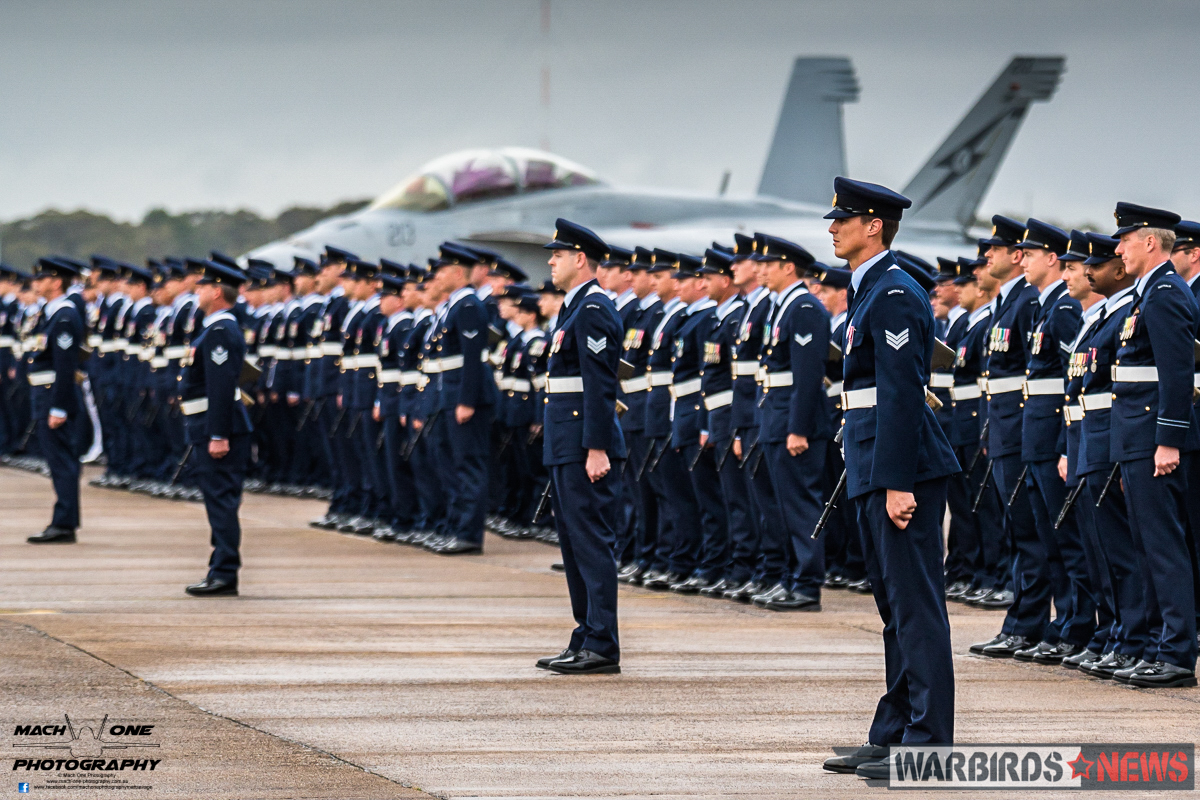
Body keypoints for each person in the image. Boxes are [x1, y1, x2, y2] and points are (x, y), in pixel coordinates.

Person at [820, 177, 959, 779]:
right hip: (874, 464)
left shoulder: (895, 293)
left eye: (842, 219)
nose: (832, 228)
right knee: (892, 605)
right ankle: (895, 729)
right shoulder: (868, 290)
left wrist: (897, 481)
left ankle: (928, 744)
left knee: (916, 605)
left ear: (873, 225)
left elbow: (903, 395)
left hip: (901, 471)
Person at [1108, 202, 1197, 688]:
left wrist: (1168, 441)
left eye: (1125, 238)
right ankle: (1159, 645)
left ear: (1148, 241)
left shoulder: (1164, 294)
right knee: (1146, 547)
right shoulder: (1147, 295)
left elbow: (1176, 376)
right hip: (1135, 437)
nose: (1118, 248)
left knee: (1163, 548)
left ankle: (1178, 654)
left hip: (1151, 439)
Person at [537, 218, 627, 675]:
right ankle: (586, 634)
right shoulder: (573, 307)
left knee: (591, 543)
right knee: (573, 543)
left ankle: (603, 643)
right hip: (566, 441)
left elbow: (599, 385)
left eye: (558, 254)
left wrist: (596, 448)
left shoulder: (593, 308)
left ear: (579, 259)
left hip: (582, 444)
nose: (550, 260)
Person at [752, 235, 833, 611]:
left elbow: (807, 374)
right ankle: (788, 578)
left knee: (801, 505)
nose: (760, 270)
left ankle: (807, 584)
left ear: (788, 268)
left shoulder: (804, 307)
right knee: (781, 506)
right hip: (776, 416)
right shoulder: (781, 306)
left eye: (768, 265)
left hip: (793, 422)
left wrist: (798, 428)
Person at [181, 260, 254, 596]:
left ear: (216, 292)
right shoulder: (214, 328)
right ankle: (218, 569)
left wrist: (218, 434)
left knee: (222, 501)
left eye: (202, 286)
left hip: (220, 430)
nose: (196, 292)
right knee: (217, 501)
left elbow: (222, 387)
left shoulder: (221, 331)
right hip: (208, 425)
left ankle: (224, 573)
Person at [25, 258, 86, 544]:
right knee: (58, 460)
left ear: (57, 282)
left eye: (43, 278)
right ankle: (64, 520)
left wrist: (59, 406)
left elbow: (65, 366)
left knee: (62, 461)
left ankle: (64, 523)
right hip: (46, 393)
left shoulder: (64, 315)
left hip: (54, 395)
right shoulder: (50, 313)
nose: (35, 283)